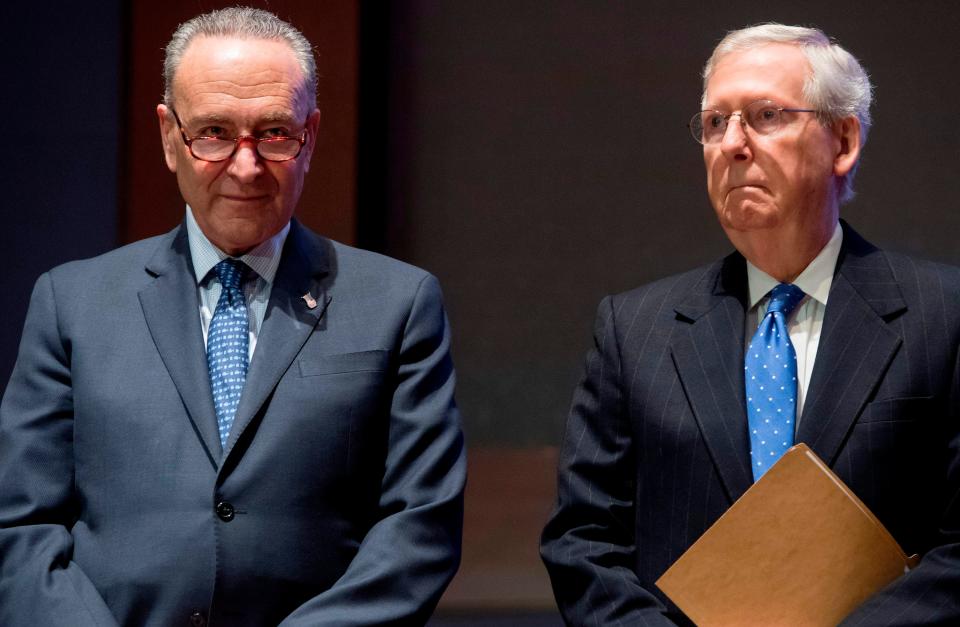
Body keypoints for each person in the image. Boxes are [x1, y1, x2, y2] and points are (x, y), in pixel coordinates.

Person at [0, 7, 465, 626]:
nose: (245, 167)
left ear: (311, 137)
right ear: (170, 137)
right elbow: (21, 524)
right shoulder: (73, 302)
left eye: (274, 133)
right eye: (214, 132)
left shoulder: (397, 304)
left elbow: (419, 529)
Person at [541, 23, 960, 625]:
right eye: (715, 123)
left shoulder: (943, 316)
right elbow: (582, 542)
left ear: (842, 140)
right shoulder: (635, 330)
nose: (732, 144)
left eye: (765, 115)